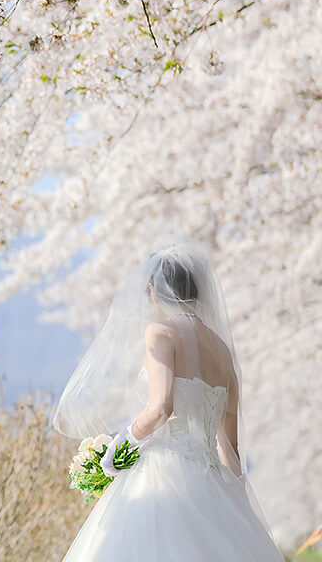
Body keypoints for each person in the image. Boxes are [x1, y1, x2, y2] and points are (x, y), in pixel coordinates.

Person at [55, 240, 283, 562]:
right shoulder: (222, 351)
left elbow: (161, 407)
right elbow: (230, 450)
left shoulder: (160, 333)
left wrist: (124, 441)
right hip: (211, 482)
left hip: (161, 473)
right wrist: (236, 507)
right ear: (200, 291)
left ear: (152, 290)